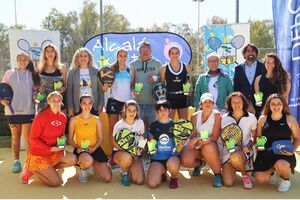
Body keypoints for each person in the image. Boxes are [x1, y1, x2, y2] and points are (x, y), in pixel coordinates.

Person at [20, 91, 77, 186]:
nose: (56, 103)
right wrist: (49, 149)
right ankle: (31, 168)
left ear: (61, 102)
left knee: (73, 159)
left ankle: (48, 170)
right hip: (40, 155)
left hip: (54, 153)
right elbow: (33, 139)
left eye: (58, 100)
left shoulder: (63, 117)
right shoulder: (41, 117)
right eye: (53, 100)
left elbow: (61, 135)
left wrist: (61, 145)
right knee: (55, 183)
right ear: (48, 102)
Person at [253, 94, 300, 192]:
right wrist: (259, 145)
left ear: (283, 105)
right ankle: (273, 170)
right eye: (273, 104)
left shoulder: (290, 119)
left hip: (284, 153)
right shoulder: (262, 119)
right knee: (261, 179)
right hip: (266, 153)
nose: (276, 106)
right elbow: (259, 136)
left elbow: (297, 138)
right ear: (269, 106)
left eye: (279, 104)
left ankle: (285, 180)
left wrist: (292, 151)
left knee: (281, 164)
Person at [1, 52, 39, 173]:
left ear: (29, 61)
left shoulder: (34, 75)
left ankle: (29, 163)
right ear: (17, 60)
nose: (23, 61)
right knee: (15, 137)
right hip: (12, 112)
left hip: (28, 110)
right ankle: (16, 161)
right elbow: (3, 91)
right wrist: (2, 101)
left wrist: (36, 96)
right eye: (20, 59)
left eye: (25, 59)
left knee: (27, 138)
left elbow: (36, 91)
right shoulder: (9, 73)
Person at [181, 93, 222, 187]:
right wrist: (193, 139)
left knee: (208, 148)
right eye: (205, 102)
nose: (208, 104)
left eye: (210, 102)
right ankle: (199, 164)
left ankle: (217, 174)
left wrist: (197, 139)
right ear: (201, 104)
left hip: (211, 143)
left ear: (213, 103)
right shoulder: (195, 116)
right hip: (197, 143)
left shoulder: (217, 115)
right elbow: (192, 135)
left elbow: (214, 137)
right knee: (185, 160)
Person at [68, 94, 112, 183]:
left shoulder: (97, 119)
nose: (87, 106)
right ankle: (83, 169)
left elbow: (100, 138)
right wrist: (77, 148)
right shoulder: (74, 120)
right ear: (80, 105)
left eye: (89, 103)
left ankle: (94, 164)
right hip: (81, 150)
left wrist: (94, 148)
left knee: (108, 178)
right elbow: (70, 139)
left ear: (92, 104)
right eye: (84, 103)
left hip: (94, 149)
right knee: (87, 160)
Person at [102, 49, 135, 165]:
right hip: (113, 101)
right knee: (113, 129)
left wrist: (135, 92)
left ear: (127, 57)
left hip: (126, 103)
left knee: (125, 129)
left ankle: (125, 152)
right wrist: (105, 86)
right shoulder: (110, 69)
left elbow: (131, 87)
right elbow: (104, 88)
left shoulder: (130, 70)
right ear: (117, 56)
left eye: (125, 56)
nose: (123, 58)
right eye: (120, 55)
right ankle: (113, 154)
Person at [219, 92, 257, 189]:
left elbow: (255, 137)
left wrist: (248, 146)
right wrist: (227, 144)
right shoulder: (224, 118)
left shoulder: (251, 118)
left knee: (235, 157)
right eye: (233, 102)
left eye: (239, 102)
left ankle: (244, 174)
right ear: (230, 104)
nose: (236, 105)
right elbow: (222, 137)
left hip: (244, 152)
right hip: (228, 152)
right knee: (228, 183)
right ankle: (235, 167)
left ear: (243, 103)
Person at [147, 100, 180, 189]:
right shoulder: (153, 125)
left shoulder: (175, 125)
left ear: (169, 110)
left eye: (165, 109)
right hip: (157, 158)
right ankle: (162, 172)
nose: (162, 112)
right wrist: (151, 149)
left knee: (172, 163)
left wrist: (180, 144)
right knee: (152, 184)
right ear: (157, 112)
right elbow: (151, 141)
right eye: (160, 110)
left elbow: (179, 144)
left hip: (171, 157)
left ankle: (174, 177)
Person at [130, 42, 162, 132]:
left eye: (147, 50)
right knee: (139, 131)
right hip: (137, 104)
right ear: (139, 51)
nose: (145, 52)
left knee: (152, 130)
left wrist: (156, 78)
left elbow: (163, 80)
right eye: (143, 50)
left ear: (151, 51)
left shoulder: (157, 64)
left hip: (153, 103)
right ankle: (141, 147)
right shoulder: (133, 64)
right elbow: (130, 83)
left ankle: (151, 146)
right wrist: (133, 91)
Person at [112, 100, 145, 186]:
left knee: (139, 180)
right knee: (126, 157)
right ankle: (123, 173)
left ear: (137, 112)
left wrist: (141, 146)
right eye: (129, 110)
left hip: (134, 154)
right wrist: (129, 150)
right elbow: (114, 143)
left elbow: (141, 136)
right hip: (120, 152)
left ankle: (129, 168)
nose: (131, 112)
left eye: (134, 110)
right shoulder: (119, 125)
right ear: (125, 111)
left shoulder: (140, 122)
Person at [67, 47, 104, 116]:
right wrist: (70, 107)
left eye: (85, 56)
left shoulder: (96, 71)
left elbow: (100, 90)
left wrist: (101, 104)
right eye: (81, 56)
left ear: (89, 58)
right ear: (77, 58)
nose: (83, 58)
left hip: (93, 106)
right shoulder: (72, 72)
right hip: (77, 106)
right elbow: (69, 91)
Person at [160, 45, 192, 119]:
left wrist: (189, 90)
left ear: (179, 54)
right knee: (169, 123)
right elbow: (162, 85)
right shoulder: (164, 68)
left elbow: (190, 82)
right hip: (170, 99)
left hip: (183, 98)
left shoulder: (186, 67)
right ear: (169, 55)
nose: (175, 55)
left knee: (183, 123)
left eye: (176, 53)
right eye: (172, 53)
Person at [233, 43, 264, 118]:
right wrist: (246, 102)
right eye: (248, 51)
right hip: (244, 105)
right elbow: (236, 88)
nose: (251, 53)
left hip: (260, 106)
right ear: (244, 54)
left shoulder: (263, 67)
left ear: (256, 54)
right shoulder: (238, 69)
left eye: (253, 51)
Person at [37, 43, 67, 111]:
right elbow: (36, 86)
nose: (50, 53)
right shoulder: (39, 68)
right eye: (47, 51)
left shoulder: (62, 68)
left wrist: (63, 89)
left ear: (55, 53)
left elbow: (65, 85)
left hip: (57, 102)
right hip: (43, 102)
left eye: (52, 51)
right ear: (44, 54)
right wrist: (39, 89)